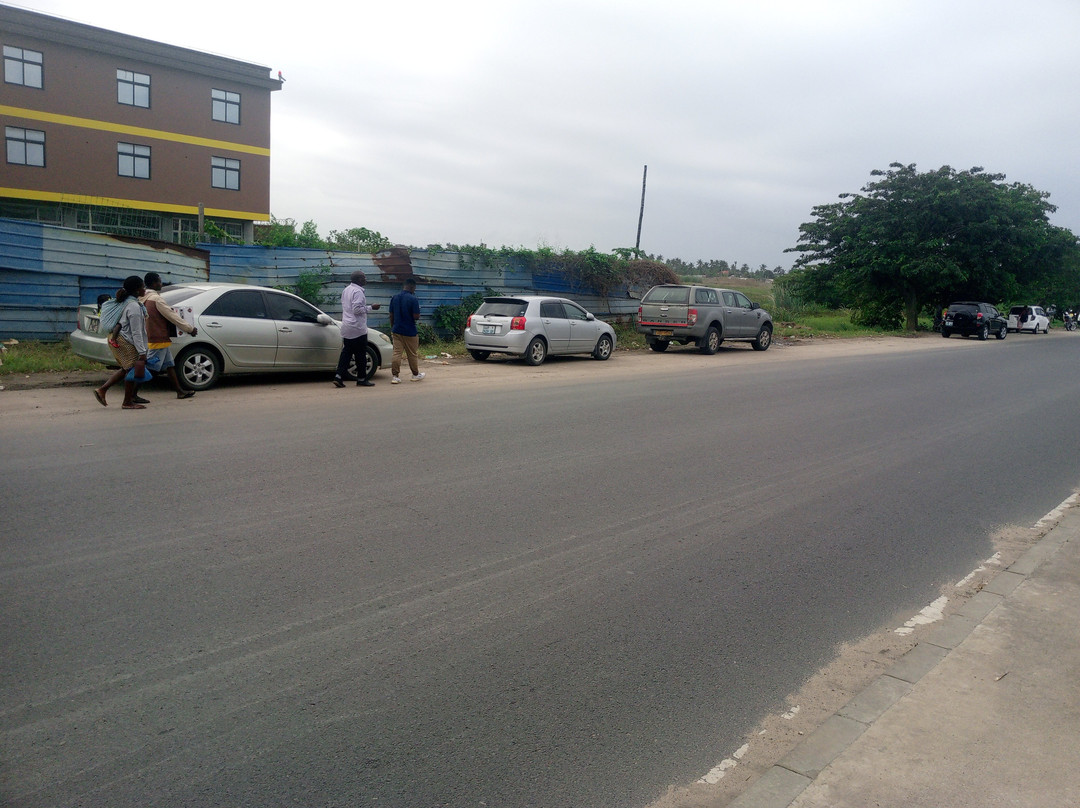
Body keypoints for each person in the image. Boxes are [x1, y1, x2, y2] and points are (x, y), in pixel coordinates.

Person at [93, 275, 149, 409]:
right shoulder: (134, 306)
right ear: (137, 290)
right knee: (131, 369)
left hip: (119, 338)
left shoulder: (127, 303)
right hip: (125, 340)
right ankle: (127, 402)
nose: (145, 289)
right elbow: (136, 332)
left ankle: (103, 390)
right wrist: (142, 352)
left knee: (127, 369)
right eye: (143, 286)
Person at [140, 272, 196, 400]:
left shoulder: (144, 298)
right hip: (158, 338)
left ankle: (179, 391)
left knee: (169, 366)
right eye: (159, 281)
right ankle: (130, 393)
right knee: (151, 368)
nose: (161, 283)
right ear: (154, 283)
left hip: (155, 337)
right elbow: (172, 316)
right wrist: (190, 329)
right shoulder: (156, 299)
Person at [333, 270, 380, 388]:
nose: (366, 279)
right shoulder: (358, 292)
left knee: (346, 353)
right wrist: (371, 307)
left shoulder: (346, 290)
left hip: (347, 326)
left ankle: (338, 376)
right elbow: (356, 310)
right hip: (357, 328)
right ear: (359, 279)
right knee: (360, 354)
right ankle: (362, 379)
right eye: (364, 277)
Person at [388, 277, 425, 384]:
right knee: (412, 354)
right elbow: (416, 316)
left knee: (396, 353)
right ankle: (415, 374)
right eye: (414, 288)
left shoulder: (394, 298)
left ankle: (395, 376)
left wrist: (393, 327)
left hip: (397, 330)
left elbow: (391, 315)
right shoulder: (413, 299)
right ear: (412, 286)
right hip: (410, 331)